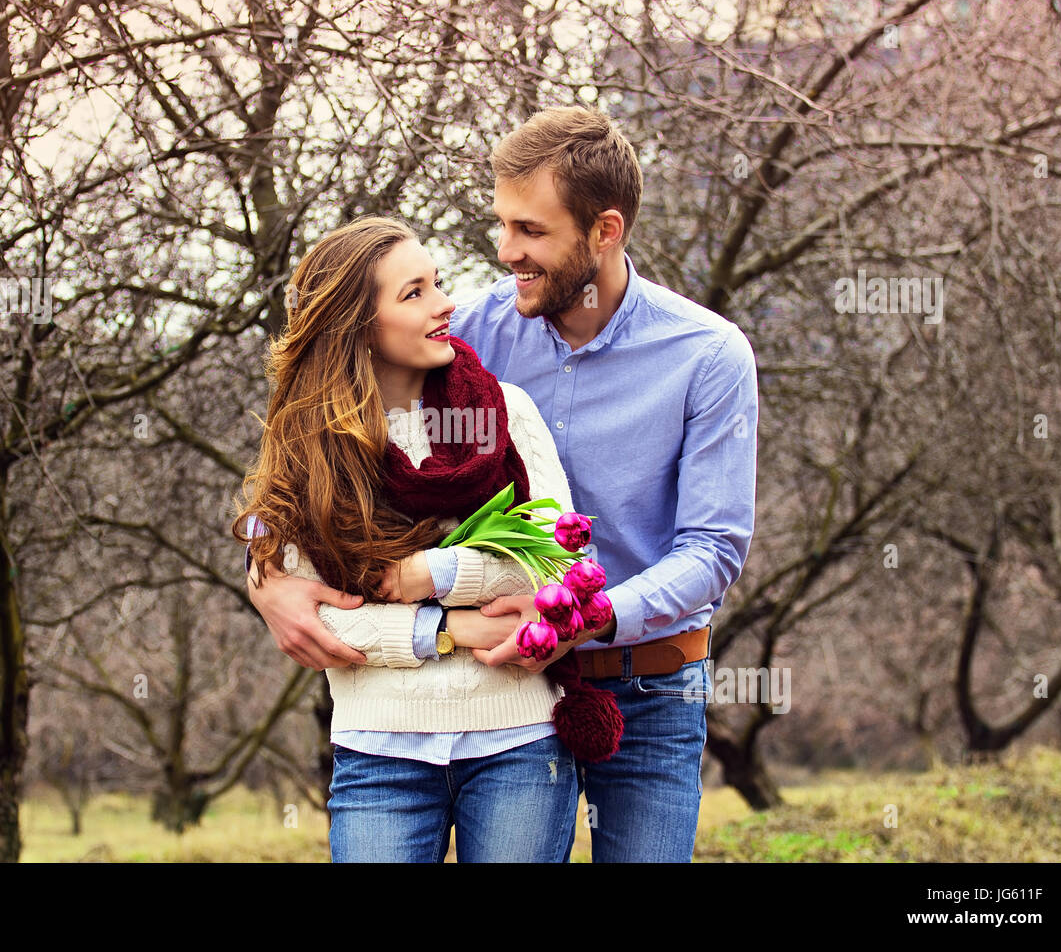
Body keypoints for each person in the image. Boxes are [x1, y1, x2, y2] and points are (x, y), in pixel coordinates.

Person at [246, 106, 759, 863]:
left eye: (531, 231)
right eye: (502, 224)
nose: (505, 251)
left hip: (644, 681)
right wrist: (265, 576)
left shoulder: (708, 355)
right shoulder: (468, 331)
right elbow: (313, 454)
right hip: (493, 690)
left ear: (605, 232)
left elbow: (713, 549)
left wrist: (584, 616)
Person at [232, 216, 604, 862]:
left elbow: (558, 566)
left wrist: (432, 575)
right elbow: (319, 623)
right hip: (380, 751)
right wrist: (448, 631)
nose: (444, 305)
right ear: (357, 327)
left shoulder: (504, 412)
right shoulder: (312, 455)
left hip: (517, 739)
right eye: (414, 294)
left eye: (437, 283)